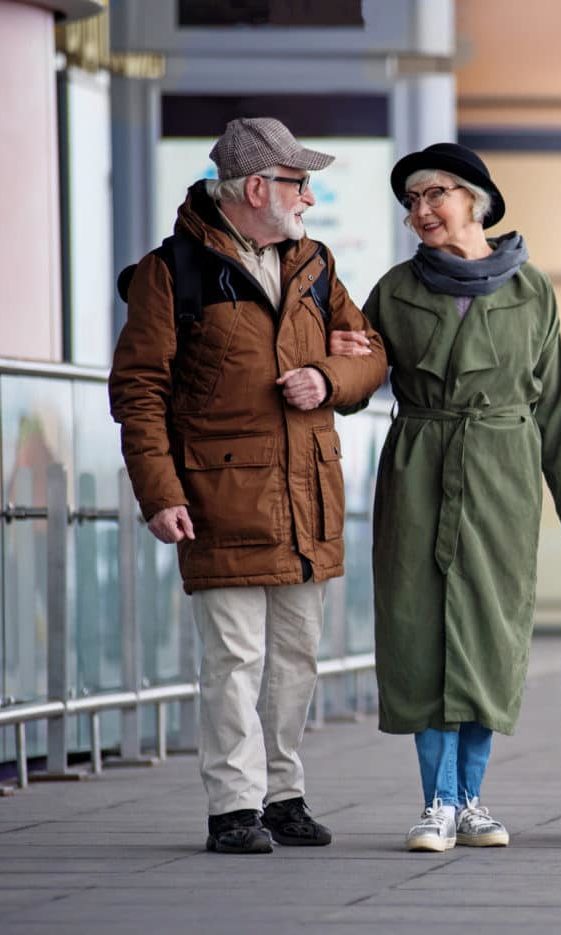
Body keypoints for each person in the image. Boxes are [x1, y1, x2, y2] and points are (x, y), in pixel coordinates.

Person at [109, 117, 388, 855]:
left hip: (307, 498)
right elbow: (138, 390)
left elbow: (372, 359)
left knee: (295, 658)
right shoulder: (172, 274)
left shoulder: (316, 263)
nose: (310, 199)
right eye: (301, 183)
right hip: (217, 499)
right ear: (258, 187)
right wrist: (160, 492)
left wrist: (328, 375)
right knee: (234, 659)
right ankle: (234, 805)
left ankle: (284, 792)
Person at [329, 142, 561, 853]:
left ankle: (472, 797)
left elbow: (557, 406)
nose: (421, 212)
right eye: (411, 202)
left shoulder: (532, 290)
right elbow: (357, 383)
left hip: (501, 473)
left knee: (489, 630)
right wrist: (334, 364)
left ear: (474, 201)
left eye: (434, 195)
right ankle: (436, 802)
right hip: (419, 464)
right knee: (418, 628)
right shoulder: (392, 290)